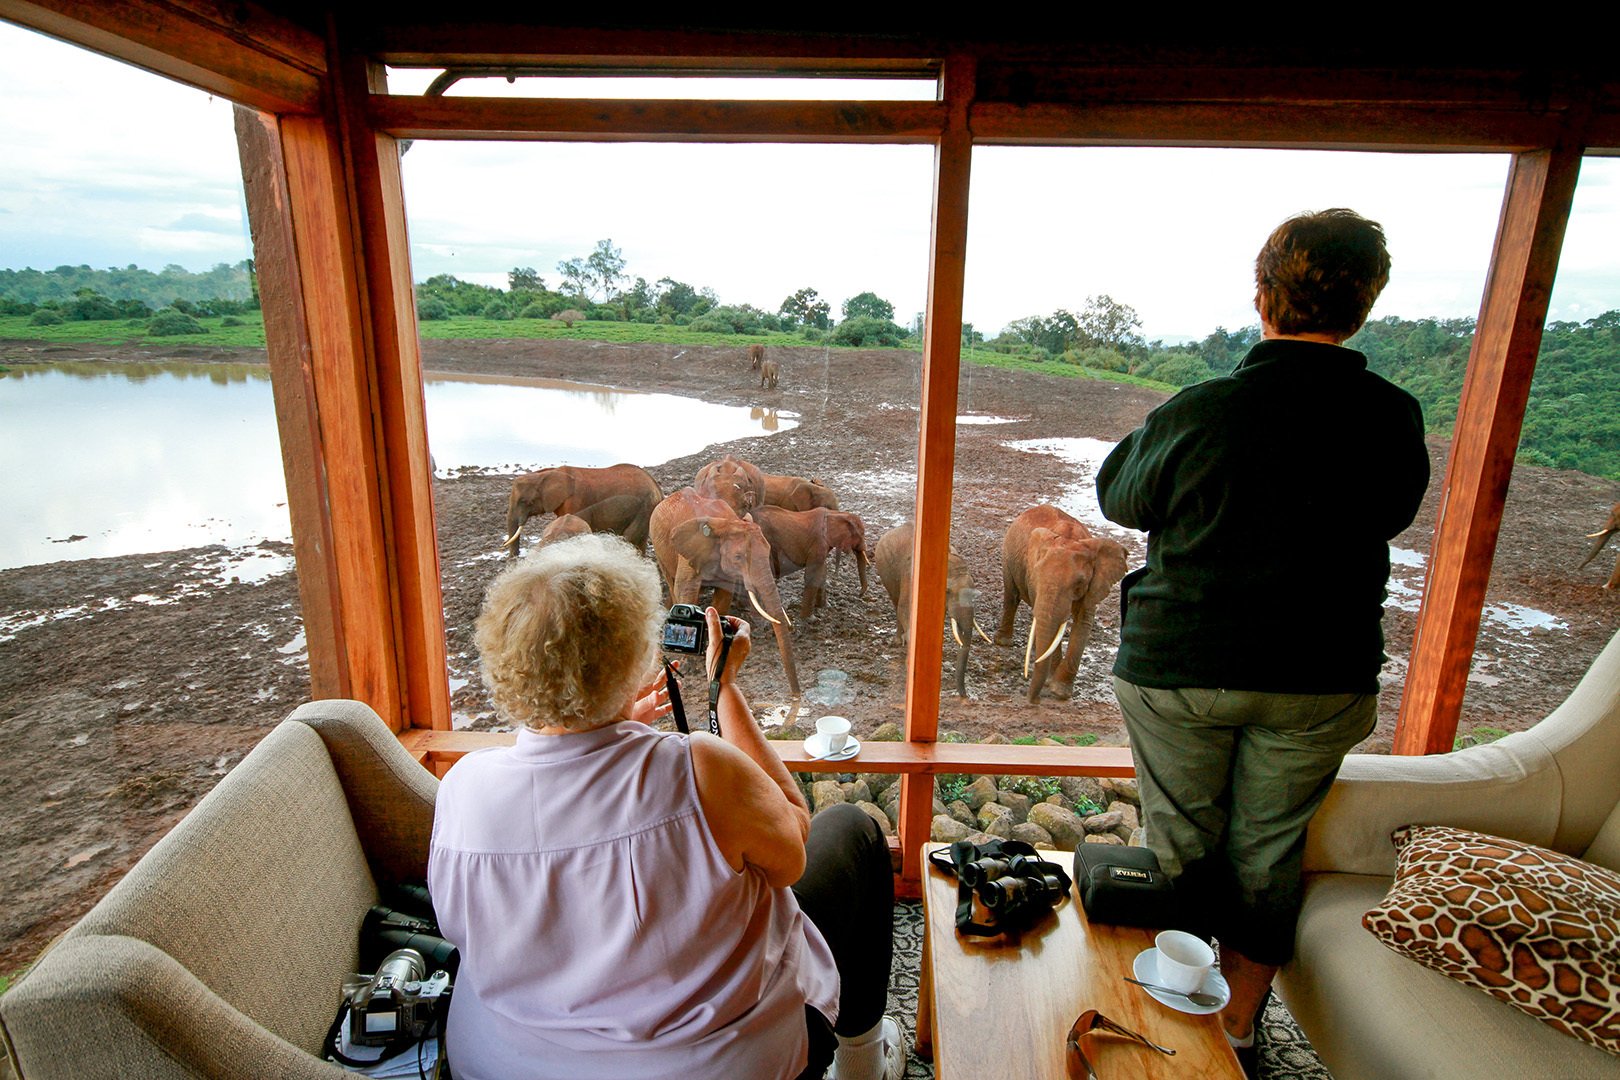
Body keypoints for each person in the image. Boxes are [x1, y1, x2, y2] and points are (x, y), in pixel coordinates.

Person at [1095, 208, 1429, 1069]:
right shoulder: (1393, 416)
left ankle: (1168, 1016)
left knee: (1182, 844)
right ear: (1365, 305)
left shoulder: (1201, 409)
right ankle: (1237, 1026)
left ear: (1262, 297)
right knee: (1268, 854)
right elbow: (1391, 513)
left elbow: (1121, 499)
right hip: (1321, 675)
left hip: (1182, 670)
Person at [427, 532, 905, 1080]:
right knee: (851, 828)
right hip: (707, 1065)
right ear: (634, 653)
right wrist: (725, 689)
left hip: (503, 1065)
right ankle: (864, 1061)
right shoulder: (696, 768)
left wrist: (606, 722)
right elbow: (791, 853)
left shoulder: (463, 788)